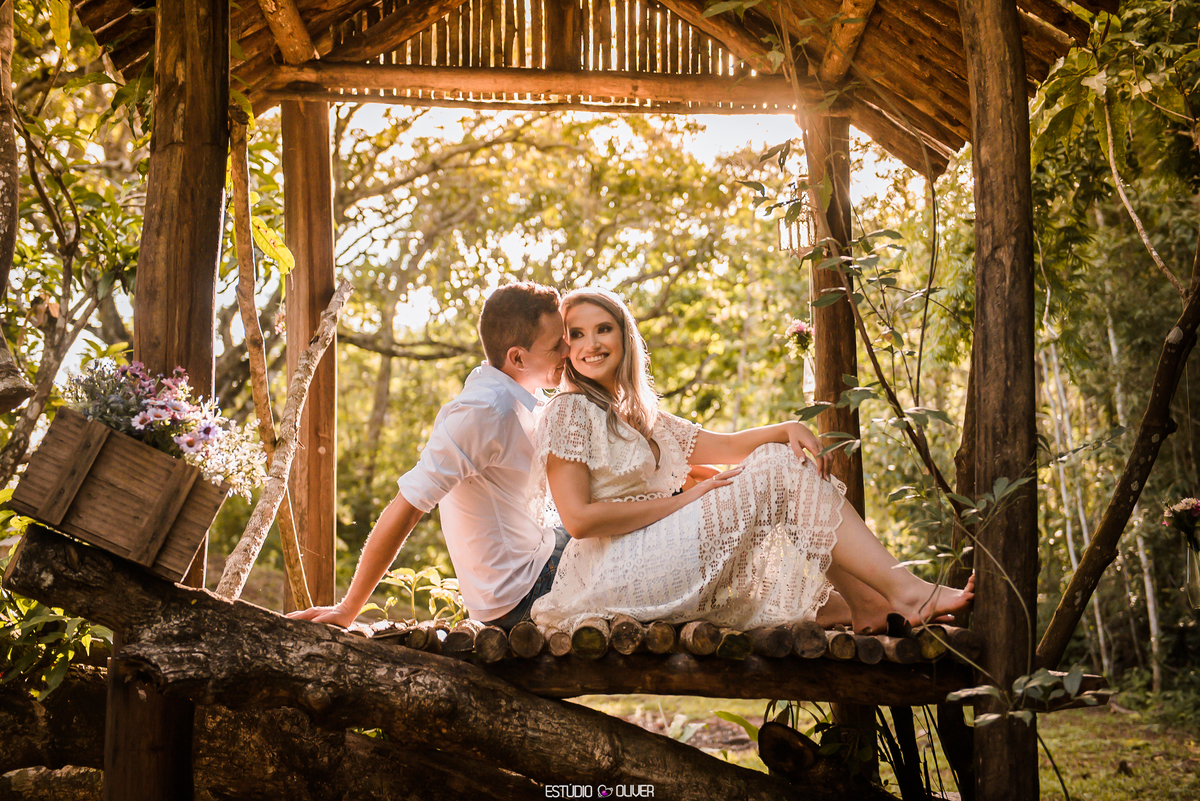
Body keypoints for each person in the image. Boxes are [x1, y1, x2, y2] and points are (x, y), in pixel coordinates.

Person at [528, 287, 973, 635]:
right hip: (616, 570)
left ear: (624, 335)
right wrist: (686, 500)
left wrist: (785, 429)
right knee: (777, 470)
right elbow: (580, 519)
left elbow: (726, 444)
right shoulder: (569, 411)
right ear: (564, 348)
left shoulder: (637, 415)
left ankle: (869, 605)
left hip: (657, 554)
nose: (592, 344)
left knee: (779, 460)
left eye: (603, 329)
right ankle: (908, 591)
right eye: (577, 335)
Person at [289, 282, 573, 630]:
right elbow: (408, 507)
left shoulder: (521, 396)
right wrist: (349, 608)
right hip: (523, 595)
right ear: (517, 357)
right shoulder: (484, 411)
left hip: (538, 559)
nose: (568, 350)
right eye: (557, 345)